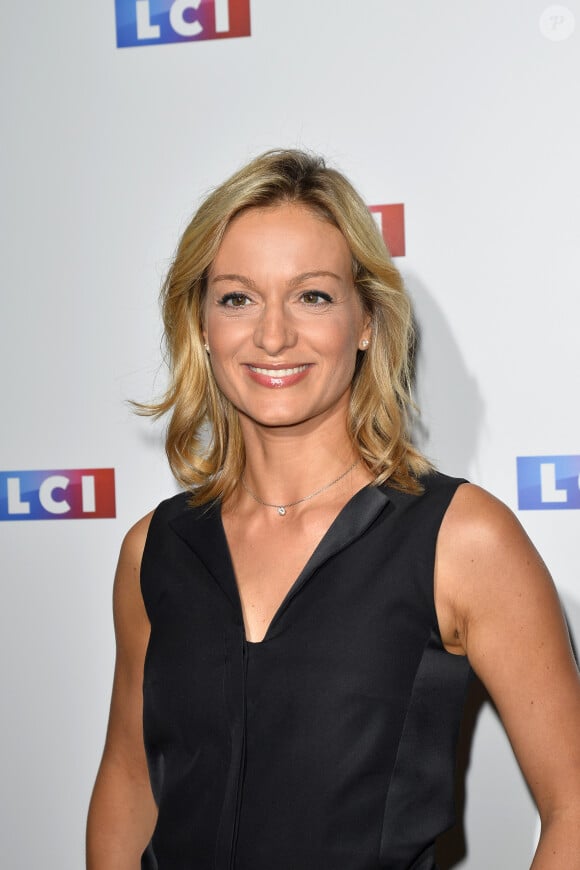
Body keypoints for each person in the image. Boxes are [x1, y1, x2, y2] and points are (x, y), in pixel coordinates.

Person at [86, 149, 580, 869]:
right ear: (199, 325)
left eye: (312, 295)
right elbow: (130, 781)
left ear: (367, 322)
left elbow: (574, 802)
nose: (274, 334)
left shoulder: (460, 539)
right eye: (237, 297)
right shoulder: (153, 549)